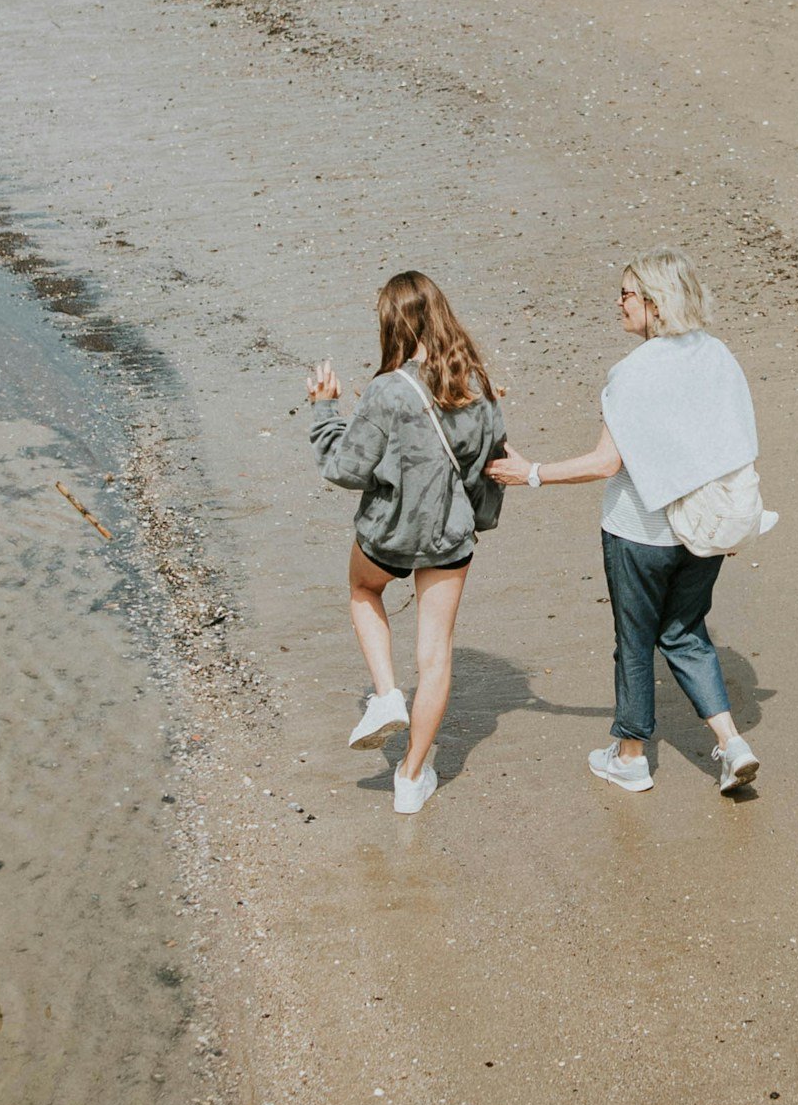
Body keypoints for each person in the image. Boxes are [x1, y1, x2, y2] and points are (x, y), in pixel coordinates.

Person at [490, 248, 765, 796]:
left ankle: (631, 757)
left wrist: (532, 473)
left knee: (635, 642)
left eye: (626, 295)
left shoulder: (631, 372)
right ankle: (733, 744)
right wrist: (737, 521)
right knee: (686, 633)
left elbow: (605, 463)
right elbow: (739, 447)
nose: (618, 303)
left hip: (639, 533)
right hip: (705, 530)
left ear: (655, 303)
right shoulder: (718, 354)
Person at [307, 271, 508, 814]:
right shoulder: (478, 383)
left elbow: (345, 468)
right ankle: (412, 776)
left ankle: (386, 695)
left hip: (390, 531)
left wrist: (324, 410)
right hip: (449, 534)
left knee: (362, 591)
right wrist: (472, 514)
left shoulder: (388, 389)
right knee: (435, 655)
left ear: (392, 324)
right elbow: (491, 461)